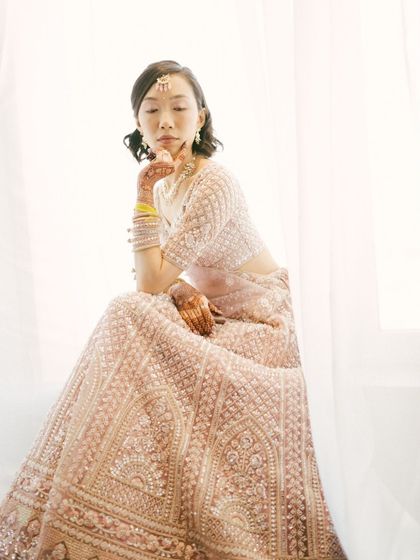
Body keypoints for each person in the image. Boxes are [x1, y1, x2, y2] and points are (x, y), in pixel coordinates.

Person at [0, 60, 347, 559]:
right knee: (129, 317)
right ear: (138, 124)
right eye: (152, 110)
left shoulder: (214, 183)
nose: (165, 121)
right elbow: (154, 279)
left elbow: (149, 281)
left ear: (200, 119)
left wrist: (169, 277)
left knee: (127, 314)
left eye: (179, 108)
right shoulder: (164, 188)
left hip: (264, 322)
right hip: (215, 319)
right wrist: (178, 283)